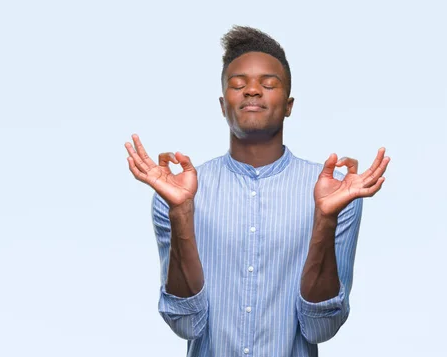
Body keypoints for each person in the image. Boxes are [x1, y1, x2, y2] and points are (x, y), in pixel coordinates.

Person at [124, 25, 390, 357]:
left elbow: (321, 327)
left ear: (289, 104)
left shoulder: (336, 194)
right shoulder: (176, 193)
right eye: (238, 84)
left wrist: (324, 218)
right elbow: (185, 324)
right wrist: (180, 213)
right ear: (223, 105)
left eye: (268, 84)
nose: (252, 91)